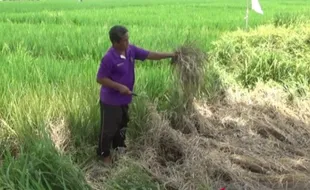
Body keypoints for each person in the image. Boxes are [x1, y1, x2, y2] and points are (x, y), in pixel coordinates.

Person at [96, 25, 177, 165]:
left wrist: (171, 55)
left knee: (122, 125)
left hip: (124, 99)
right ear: (115, 42)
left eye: (128, 39)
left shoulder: (131, 50)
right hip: (110, 101)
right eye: (124, 40)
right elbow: (100, 78)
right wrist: (119, 86)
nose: (128, 42)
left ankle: (119, 149)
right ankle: (105, 155)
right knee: (108, 130)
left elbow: (151, 54)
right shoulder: (109, 58)